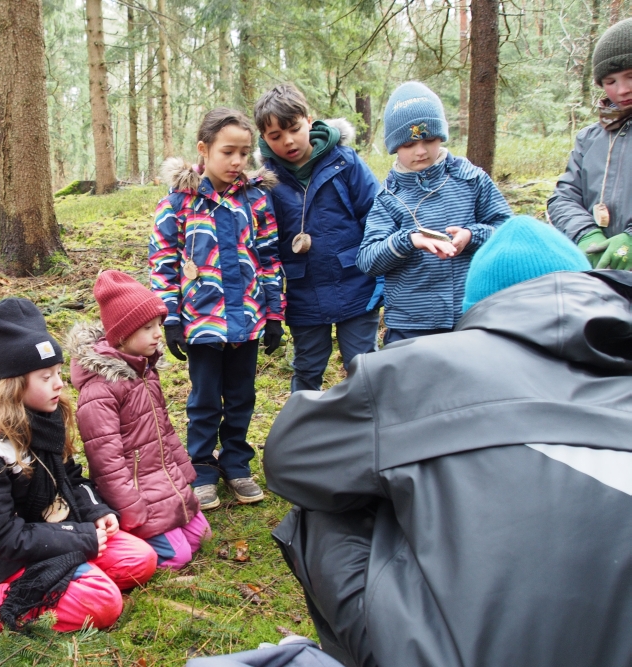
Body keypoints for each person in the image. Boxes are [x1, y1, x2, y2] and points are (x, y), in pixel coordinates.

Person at [265, 216, 632, 667]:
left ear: (478, 304)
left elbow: (291, 460)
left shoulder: (421, 368)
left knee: (325, 504)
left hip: (444, 654)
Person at [0, 298, 157, 641]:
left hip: (58, 535)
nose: (60, 383)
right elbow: (0, 538)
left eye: (59, 373)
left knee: (141, 559)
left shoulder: (45, 420)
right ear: (13, 384)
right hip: (13, 562)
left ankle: (76, 577)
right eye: (47, 377)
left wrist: (95, 512)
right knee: (104, 603)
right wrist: (78, 538)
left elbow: (71, 478)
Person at [149, 107, 284, 511]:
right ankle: (202, 467)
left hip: (247, 320)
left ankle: (237, 463)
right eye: (228, 152)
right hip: (202, 323)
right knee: (205, 398)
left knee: (242, 395)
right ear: (204, 150)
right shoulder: (177, 204)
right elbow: (163, 264)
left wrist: (275, 314)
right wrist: (170, 319)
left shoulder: (256, 198)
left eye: (245, 152)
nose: (237, 161)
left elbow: (270, 258)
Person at [69, 270, 211, 571]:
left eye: (159, 325)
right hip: (136, 492)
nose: (159, 334)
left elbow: (166, 432)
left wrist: (185, 474)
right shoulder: (100, 390)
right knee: (178, 557)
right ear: (122, 334)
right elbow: (106, 462)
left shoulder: (146, 372)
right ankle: (123, 549)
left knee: (202, 537)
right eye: (148, 327)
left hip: (165, 480)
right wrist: (129, 509)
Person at [357, 82, 512, 343]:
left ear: (441, 136)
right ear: (395, 147)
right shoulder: (388, 198)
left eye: (428, 140)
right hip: (411, 324)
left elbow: (507, 229)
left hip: (473, 316)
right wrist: (408, 241)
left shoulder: (471, 180)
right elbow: (367, 259)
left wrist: (471, 235)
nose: (420, 151)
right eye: (408, 144)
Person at [254, 83, 383, 392]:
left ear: (309, 121)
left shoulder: (345, 162)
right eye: (275, 136)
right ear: (264, 139)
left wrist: (382, 276)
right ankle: (304, 435)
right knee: (308, 368)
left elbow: (376, 217)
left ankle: (369, 431)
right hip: (303, 293)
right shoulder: (266, 181)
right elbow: (264, 244)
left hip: (357, 285)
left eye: (294, 129)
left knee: (363, 367)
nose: (288, 141)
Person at [549, 17, 632, 270]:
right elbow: (563, 198)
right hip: (600, 275)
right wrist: (585, 234)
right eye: (610, 81)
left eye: (630, 76)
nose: (622, 90)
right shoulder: (589, 139)